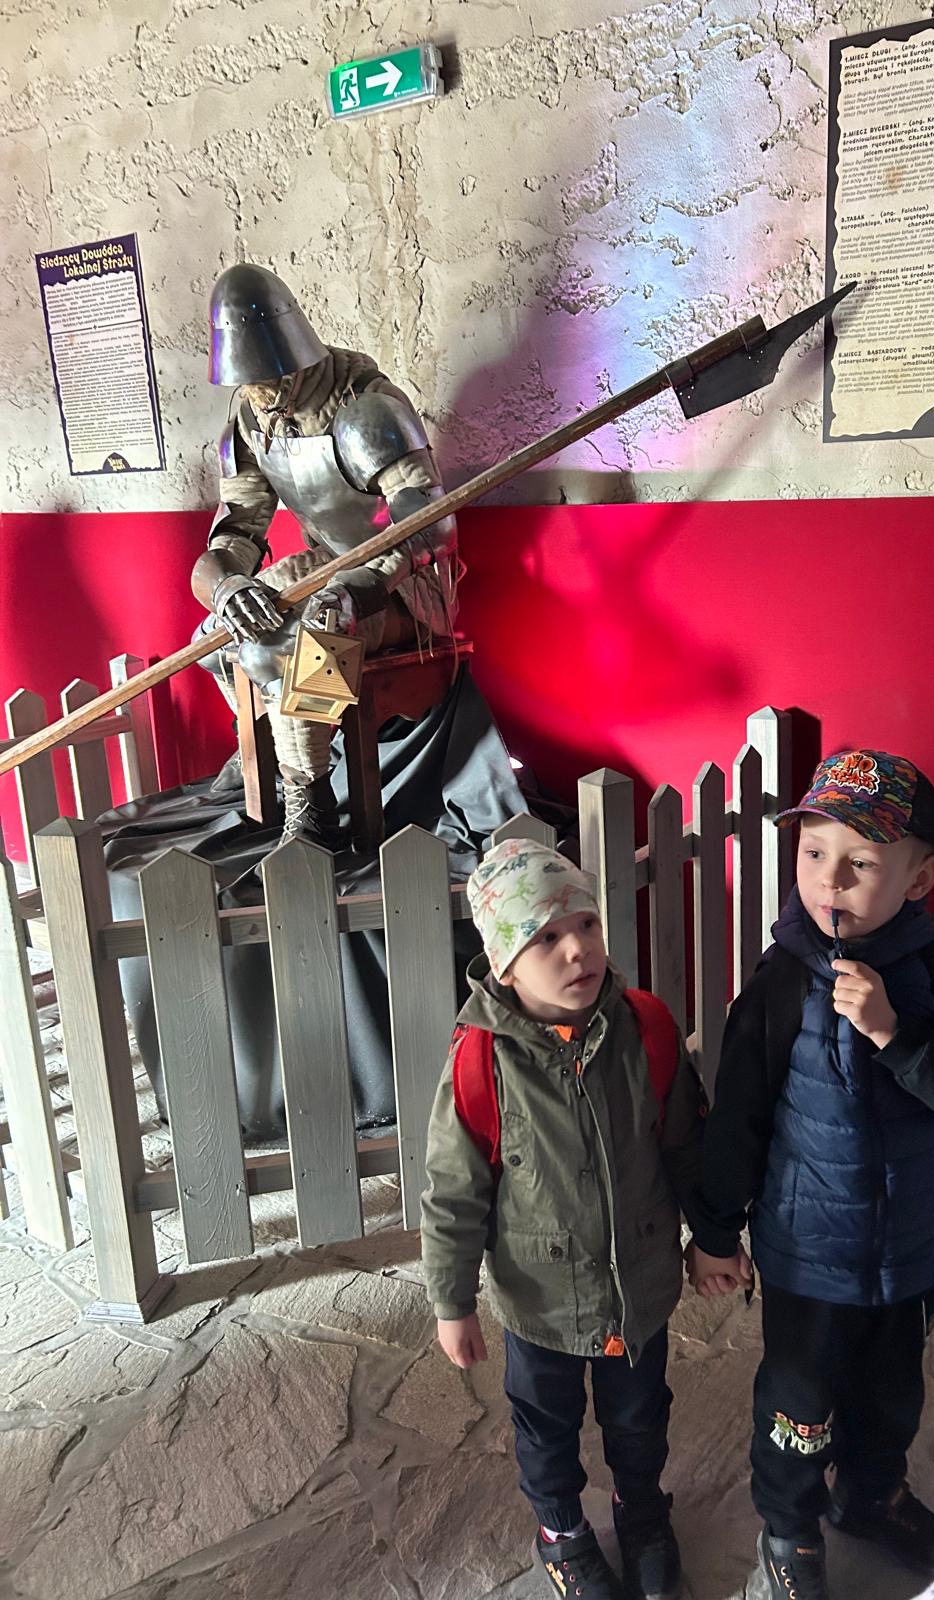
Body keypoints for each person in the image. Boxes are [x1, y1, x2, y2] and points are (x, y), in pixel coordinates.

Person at [687, 749, 934, 1600]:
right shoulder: (780, 980)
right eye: (814, 852)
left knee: (892, 1390)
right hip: (809, 1249)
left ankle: (872, 1496)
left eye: (860, 862)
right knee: (799, 1401)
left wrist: (896, 1033)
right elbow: (739, 1115)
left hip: (911, 1244)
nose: (829, 879)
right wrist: (714, 1230)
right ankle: (790, 1527)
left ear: (919, 878)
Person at [420, 838, 707, 1600]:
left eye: (586, 924)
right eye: (545, 937)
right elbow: (453, 1192)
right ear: (505, 965)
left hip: (637, 1286)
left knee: (640, 1418)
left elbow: (687, 1147)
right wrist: (451, 1302)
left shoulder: (647, 1029)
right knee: (546, 1428)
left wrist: (712, 1241)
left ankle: (642, 1511)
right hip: (538, 1299)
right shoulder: (480, 1060)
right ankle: (561, 1531)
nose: (577, 948)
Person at [191, 263, 461, 845]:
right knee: (214, 635)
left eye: (267, 378)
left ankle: (310, 799)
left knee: (304, 635)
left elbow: (430, 529)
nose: (258, 391)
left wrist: (363, 587)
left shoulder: (365, 407)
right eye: (249, 380)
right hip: (330, 563)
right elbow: (239, 524)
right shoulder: (250, 418)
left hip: (406, 589)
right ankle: (271, 741)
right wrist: (229, 586)